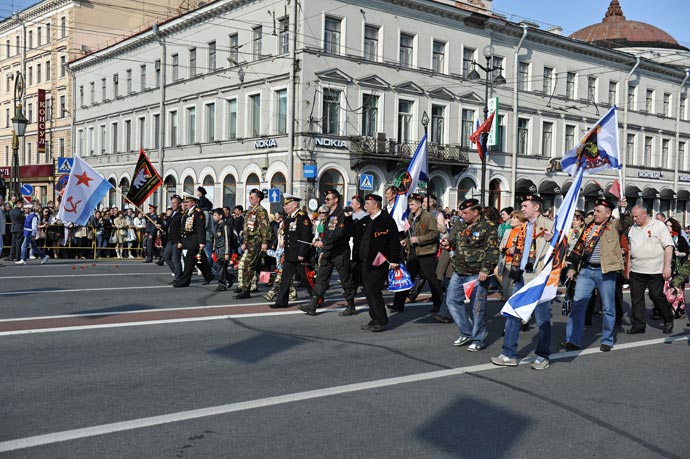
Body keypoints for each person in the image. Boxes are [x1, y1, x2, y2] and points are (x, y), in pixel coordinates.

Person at [492, 194, 554, 370]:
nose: (522, 208)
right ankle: (509, 354)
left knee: (542, 318)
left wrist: (553, 241)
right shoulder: (523, 226)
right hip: (520, 273)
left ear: (536, 207)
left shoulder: (548, 224)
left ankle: (543, 356)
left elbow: (563, 247)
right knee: (513, 313)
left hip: (539, 276)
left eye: (526, 205)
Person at [563, 198, 631, 352]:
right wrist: (573, 267)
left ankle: (607, 339)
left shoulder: (613, 225)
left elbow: (626, 223)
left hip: (605, 271)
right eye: (594, 211)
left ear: (608, 214)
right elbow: (578, 247)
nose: (595, 214)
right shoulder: (589, 225)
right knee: (578, 304)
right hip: (586, 270)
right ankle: (572, 340)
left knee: (608, 308)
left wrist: (624, 209)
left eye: (598, 211)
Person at [442, 199, 499, 351]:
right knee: (452, 301)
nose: (463, 216)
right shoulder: (460, 224)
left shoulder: (488, 228)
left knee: (477, 307)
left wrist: (485, 270)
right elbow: (453, 238)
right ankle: (466, 331)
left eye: (466, 213)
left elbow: (492, 251)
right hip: (459, 269)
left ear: (475, 212)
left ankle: (478, 339)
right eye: (461, 213)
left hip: (477, 273)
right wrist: (448, 243)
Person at [299, 189, 356, 316]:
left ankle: (351, 305)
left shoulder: (341, 214)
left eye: (328, 199)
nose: (326, 201)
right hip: (328, 252)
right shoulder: (329, 214)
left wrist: (324, 243)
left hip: (340, 252)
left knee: (345, 279)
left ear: (335, 200)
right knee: (321, 277)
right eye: (325, 199)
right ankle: (313, 305)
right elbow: (327, 232)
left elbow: (339, 234)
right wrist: (320, 240)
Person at [388, 193, 443, 314]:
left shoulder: (428, 217)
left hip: (426, 253)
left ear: (419, 205)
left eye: (412, 204)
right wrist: (405, 241)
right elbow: (410, 234)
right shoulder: (410, 217)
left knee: (431, 280)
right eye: (409, 203)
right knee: (406, 279)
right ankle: (398, 304)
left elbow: (434, 234)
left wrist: (419, 239)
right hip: (414, 252)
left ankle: (438, 305)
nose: (410, 206)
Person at [626, 205, 674, 334]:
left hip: (655, 269)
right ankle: (638, 325)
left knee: (656, 296)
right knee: (636, 298)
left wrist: (667, 266)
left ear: (645, 214)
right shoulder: (633, 229)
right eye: (633, 217)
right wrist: (629, 265)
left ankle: (668, 319)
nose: (634, 219)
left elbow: (668, 247)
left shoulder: (658, 226)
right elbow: (630, 249)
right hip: (637, 269)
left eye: (636, 216)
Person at [358, 194, 401, 332]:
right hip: (365, 261)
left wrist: (394, 260)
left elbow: (394, 242)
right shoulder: (366, 220)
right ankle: (374, 318)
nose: (365, 206)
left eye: (367, 203)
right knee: (367, 290)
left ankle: (381, 320)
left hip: (380, 262)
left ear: (375, 204)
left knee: (373, 289)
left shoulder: (386, 221)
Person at [273, 194, 314, 308]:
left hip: (299, 255)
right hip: (290, 254)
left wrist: (302, 253)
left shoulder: (302, 217)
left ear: (295, 205)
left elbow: (306, 237)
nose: (285, 207)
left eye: (287, 204)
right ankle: (281, 302)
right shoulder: (288, 218)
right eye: (285, 205)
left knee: (307, 279)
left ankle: (317, 298)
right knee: (285, 279)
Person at [235, 189, 270, 299]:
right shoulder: (251, 211)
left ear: (258, 199)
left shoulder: (261, 211)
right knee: (256, 265)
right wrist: (245, 242)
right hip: (250, 241)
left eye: (251, 197)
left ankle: (246, 289)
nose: (249, 199)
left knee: (248, 265)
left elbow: (264, 228)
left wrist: (264, 242)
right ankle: (272, 281)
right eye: (249, 197)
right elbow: (247, 228)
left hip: (256, 241)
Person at [174, 194, 214, 288]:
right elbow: (183, 227)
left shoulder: (198, 212)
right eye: (185, 202)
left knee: (189, 260)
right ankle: (209, 275)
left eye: (187, 202)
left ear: (193, 202)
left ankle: (184, 281)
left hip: (195, 241)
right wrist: (180, 240)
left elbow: (201, 228)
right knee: (198, 260)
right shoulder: (187, 212)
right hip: (187, 240)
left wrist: (202, 242)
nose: (186, 204)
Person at [211, 208, 236, 291]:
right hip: (218, 249)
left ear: (220, 216)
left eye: (215, 215)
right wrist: (214, 249)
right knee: (221, 267)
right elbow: (215, 238)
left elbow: (227, 239)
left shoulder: (225, 225)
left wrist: (226, 253)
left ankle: (222, 285)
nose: (213, 217)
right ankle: (230, 277)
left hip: (223, 249)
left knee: (220, 267)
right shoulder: (217, 225)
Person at [162, 194, 183, 281]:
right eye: (172, 203)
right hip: (170, 239)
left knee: (175, 259)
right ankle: (178, 273)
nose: (173, 205)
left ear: (179, 204)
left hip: (176, 240)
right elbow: (167, 226)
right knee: (166, 257)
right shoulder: (172, 213)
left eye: (175, 203)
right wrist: (160, 226)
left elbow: (182, 229)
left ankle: (178, 277)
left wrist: (180, 241)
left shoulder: (181, 214)